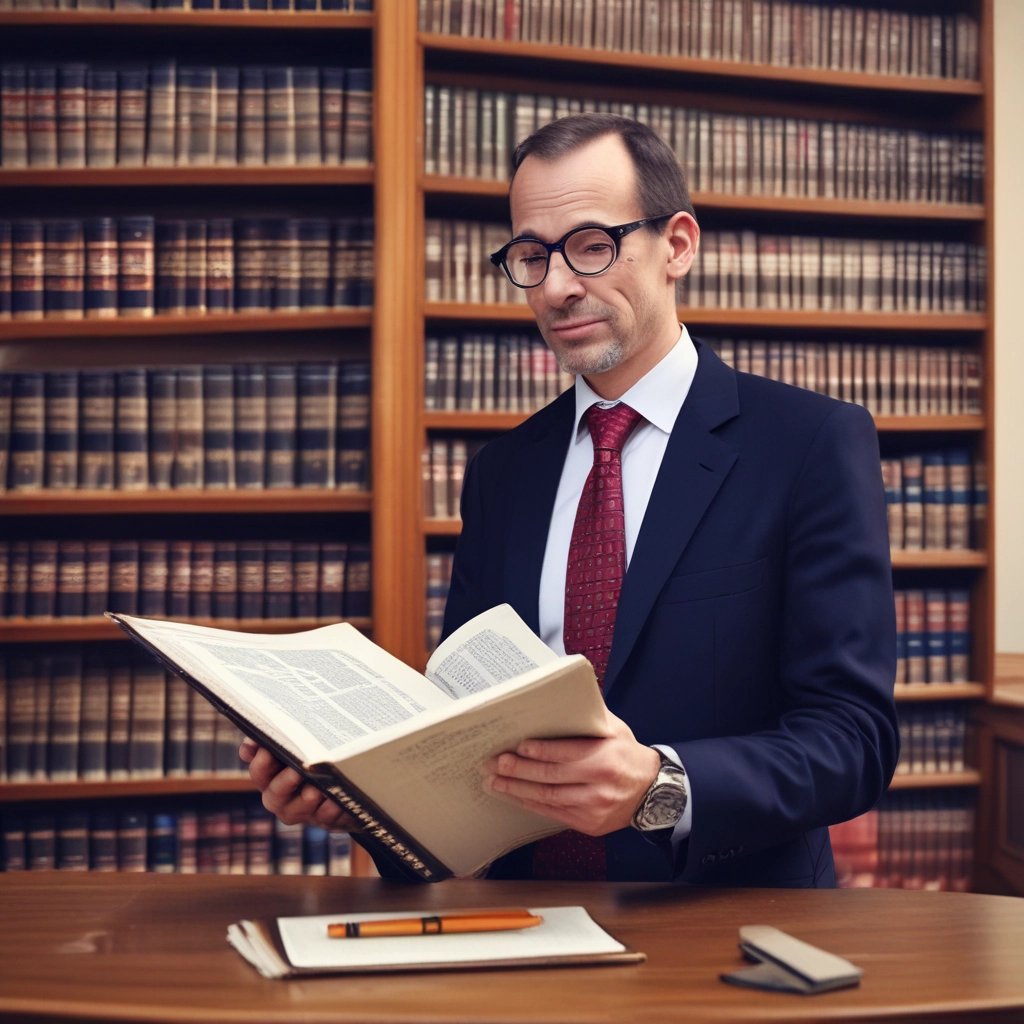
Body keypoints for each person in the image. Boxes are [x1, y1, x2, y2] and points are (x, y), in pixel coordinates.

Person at [242, 113, 900, 886]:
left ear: (677, 245)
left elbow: (853, 740)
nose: (557, 285)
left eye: (593, 245)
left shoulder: (808, 442)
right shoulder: (504, 471)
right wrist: (367, 798)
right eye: (531, 255)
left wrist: (660, 786)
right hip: (521, 927)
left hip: (724, 928)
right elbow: (465, 737)